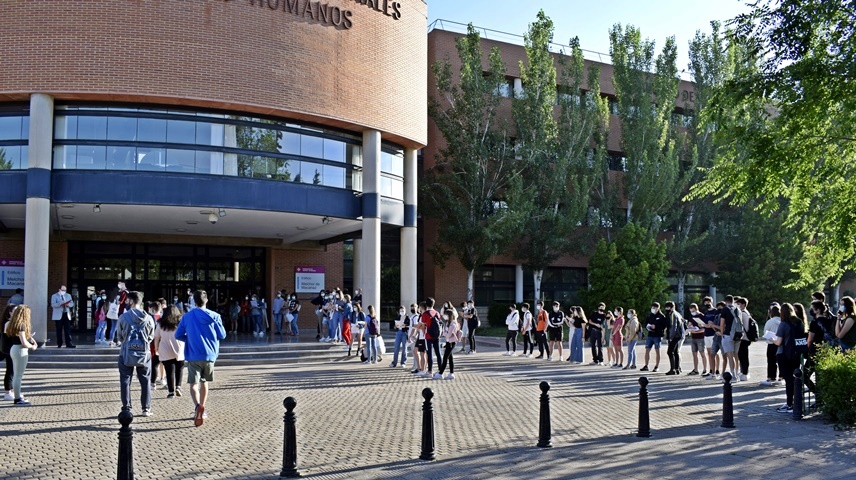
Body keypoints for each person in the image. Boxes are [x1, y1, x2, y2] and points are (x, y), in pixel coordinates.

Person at [175, 290, 227, 426]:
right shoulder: (215, 316)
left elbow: (178, 335)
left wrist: (189, 338)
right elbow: (222, 335)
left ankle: (197, 406)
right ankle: (203, 408)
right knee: (204, 382)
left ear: (194, 302)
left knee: (193, 384)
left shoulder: (187, 317)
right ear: (207, 301)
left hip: (193, 354)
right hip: (209, 354)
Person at [116, 291, 155, 416]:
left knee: (125, 380)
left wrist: (128, 343)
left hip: (126, 352)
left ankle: (126, 407)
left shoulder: (123, 317)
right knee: (145, 381)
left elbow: (119, 336)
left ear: (131, 301)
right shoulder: (149, 318)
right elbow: (151, 337)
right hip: (144, 353)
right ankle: (146, 408)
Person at [772, 302, 808, 413]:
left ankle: (789, 404)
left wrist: (771, 339)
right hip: (797, 352)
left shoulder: (783, 324)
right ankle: (796, 402)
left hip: (784, 353)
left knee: (788, 379)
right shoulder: (799, 322)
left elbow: (778, 342)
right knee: (795, 378)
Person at [4, 305, 38, 405]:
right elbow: (23, 342)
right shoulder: (21, 324)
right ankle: (17, 398)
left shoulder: (10, 323)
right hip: (20, 350)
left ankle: (17, 396)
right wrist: (33, 346)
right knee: (18, 375)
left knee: (16, 375)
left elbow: (13, 336)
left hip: (13, 348)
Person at [154, 305, 185, 398]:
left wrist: (156, 348)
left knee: (169, 370)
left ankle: (171, 392)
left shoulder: (161, 323)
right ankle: (178, 386)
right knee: (180, 368)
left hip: (165, 347)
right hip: (179, 347)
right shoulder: (180, 322)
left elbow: (156, 337)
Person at [760, 303, 783, 386]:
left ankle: (771, 377)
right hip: (781, 343)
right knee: (781, 361)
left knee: (771, 361)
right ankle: (781, 377)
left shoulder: (770, 321)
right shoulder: (782, 320)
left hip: (771, 343)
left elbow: (765, 331)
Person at [641, 302, 667, 372]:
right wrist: (648, 327)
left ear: (658, 308)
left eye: (654, 308)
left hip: (657, 336)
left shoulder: (662, 316)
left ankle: (656, 366)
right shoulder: (650, 315)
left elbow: (664, 326)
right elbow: (646, 323)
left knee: (657, 351)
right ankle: (646, 365)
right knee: (647, 350)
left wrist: (656, 327)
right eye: (652, 307)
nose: (653, 309)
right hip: (650, 335)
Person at [421, 298, 443, 378]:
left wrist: (423, 333)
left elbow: (423, 325)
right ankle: (441, 370)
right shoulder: (437, 313)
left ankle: (430, 371)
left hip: (428, 336)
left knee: (429, 353)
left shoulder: (425, 314)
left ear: (426, 304)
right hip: (437, 336)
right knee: (438, 353)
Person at [702, 297, 723, 380]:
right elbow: (705, 322)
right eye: (705, 302)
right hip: (706, 333)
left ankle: (717, 369)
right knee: (709, 352)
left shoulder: (716, 311)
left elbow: (717, 322)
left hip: (713, 334)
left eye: (708, 301)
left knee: (715, 352)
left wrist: (712, 325)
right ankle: (711, 370)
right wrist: (703, 325)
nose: (707, 303)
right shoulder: (706, 312)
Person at [437, 308, 461, 380]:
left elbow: (448, 334)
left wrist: (445, 333)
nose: (444, 316)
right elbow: (445, 333)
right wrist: (445, 333)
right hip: (448, 342)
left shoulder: (453, 323)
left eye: (446, 315)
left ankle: (440, 373)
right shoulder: (448, 323)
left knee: (445, 357)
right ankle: (451, 373)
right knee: (450, 358)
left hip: (451, 342)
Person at [686, 303, 708, 376]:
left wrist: (697, 330)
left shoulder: (702, 316)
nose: (692, 313)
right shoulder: (691, 316)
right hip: (693, 337)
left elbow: (704, 328)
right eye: (691, 311)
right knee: (694, 354)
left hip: (700, 337)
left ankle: (705, 369)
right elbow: (689, 324)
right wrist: (689, 328)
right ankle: (695, 369)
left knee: (702, 353)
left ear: (696, 309)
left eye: (693, 311)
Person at [664, 301, 685, 375]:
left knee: (670, 352)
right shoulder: (677, 313)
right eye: (666, 307)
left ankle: (672, 369)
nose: (667, 309)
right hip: (679, 335)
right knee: (676, 352)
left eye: (668, 307)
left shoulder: (673, 314)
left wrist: (671, 337)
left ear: (672, 307)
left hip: (675, 336)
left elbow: (673, 326)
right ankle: (677, 368)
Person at [735, 297, 752, 381]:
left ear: (743, 305)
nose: (737, 305)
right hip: (745, 337)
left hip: (743, 338)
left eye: (739, 304)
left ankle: (745, 373)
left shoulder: (743, 313)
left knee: (743, 356)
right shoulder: (746, 313)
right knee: (742, 356)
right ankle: (744, 372)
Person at [2, 304, 16, 401]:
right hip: (7, 349)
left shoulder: (11, 322)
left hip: (9, 349)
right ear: (9, 313)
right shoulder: (8, 323)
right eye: (14, 311)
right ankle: (8, 391)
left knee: (12, 370)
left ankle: (10, 390)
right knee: (10, 370)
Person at [410, 303, 427, 375]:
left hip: (423, 337)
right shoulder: (421, 315)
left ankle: (423, 369)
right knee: (415, 351)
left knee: (422, 353)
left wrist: (416, 326)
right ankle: (419, 368)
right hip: (419, 336)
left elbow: (422, 326)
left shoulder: (424, 315)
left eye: (419, 308)